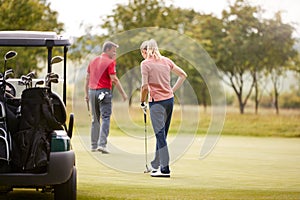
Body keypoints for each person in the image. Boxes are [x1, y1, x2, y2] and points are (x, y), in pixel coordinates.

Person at [139, 39, 187, 177]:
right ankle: (156, 164)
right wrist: (172, 90)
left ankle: (165, 169)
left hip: (157, 103)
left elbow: (144, 87)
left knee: (160, 135)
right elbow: (183, 75)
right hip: (169, 101)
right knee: (162, 134)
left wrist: (142, 102)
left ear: (144, 51)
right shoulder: (166, 61)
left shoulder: (145, 64)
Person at [85, 41, 127, 154]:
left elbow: (87, 78)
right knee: (106, 118)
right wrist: (123, 94)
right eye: (113, 50)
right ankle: (102, 145)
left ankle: (94, 145)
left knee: (95, 119)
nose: (115, 53)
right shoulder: (110, 62)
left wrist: (86, 94)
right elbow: (114, 79)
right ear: (107, 49)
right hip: (104, 92)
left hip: (92, 91)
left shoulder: (93, 60)